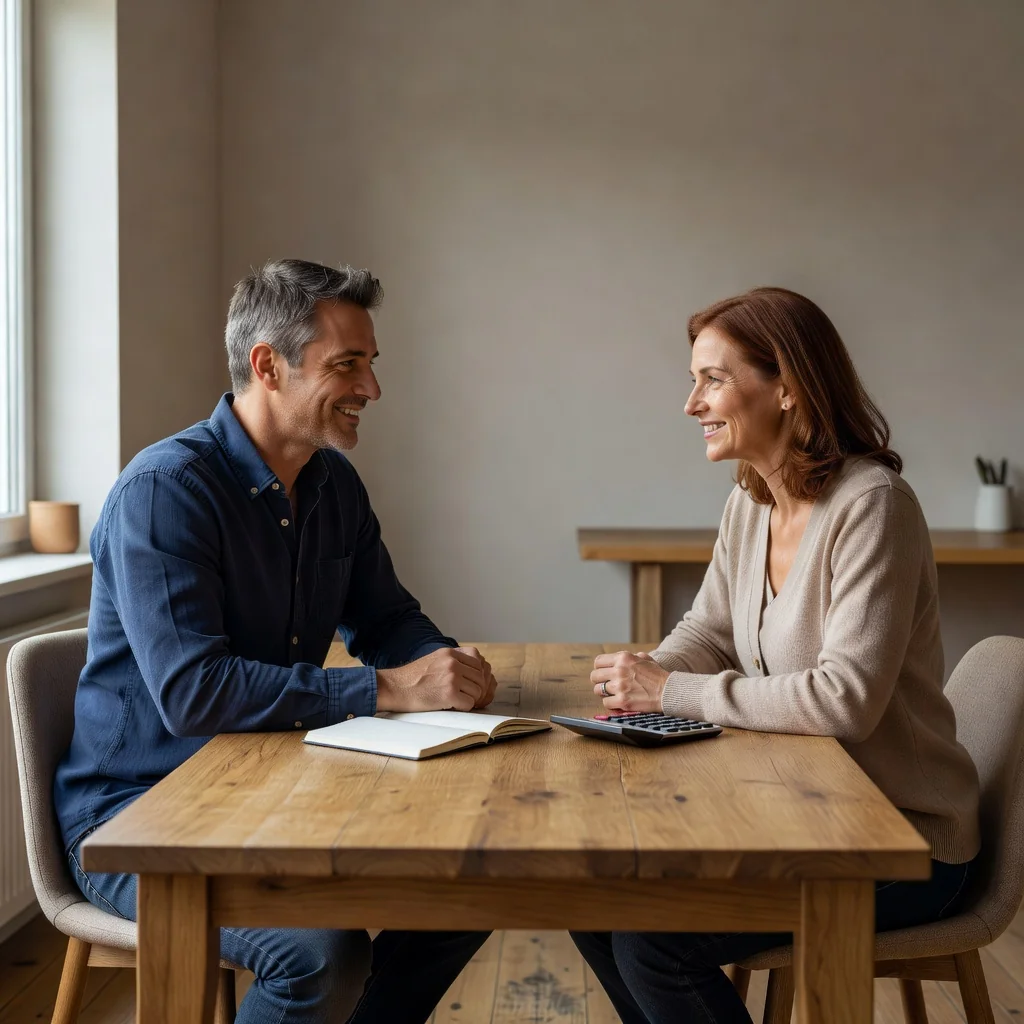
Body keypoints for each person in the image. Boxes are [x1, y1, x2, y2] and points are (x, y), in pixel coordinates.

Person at [54, 259, 494, 1023]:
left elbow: (385, 618)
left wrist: (438, 664)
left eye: (371, 364)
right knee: (319, 956)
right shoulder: (165, 492)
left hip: (270, 791)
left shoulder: (333, 484)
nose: (372, 389)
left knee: (471, 892)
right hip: (144, 818)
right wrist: (392, 689)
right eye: (346, 365)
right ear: (268, 365)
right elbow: (197, 692)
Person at [573, 287, 981, 1024]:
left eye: (712, 379)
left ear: (787, 387)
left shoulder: (873, 506)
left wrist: (670, 693)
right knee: (595, 899)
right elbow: (712, 629)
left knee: (652, 942)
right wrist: (639, 683)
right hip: (804, 818)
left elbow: (844, 701)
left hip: (902, 841)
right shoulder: (753, 500)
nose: (691, 403)